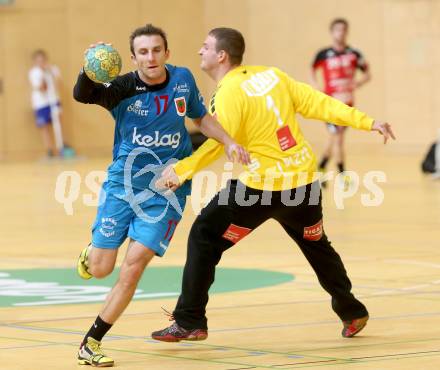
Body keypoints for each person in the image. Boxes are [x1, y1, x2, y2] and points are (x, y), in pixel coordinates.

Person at [151, 27, 395, 343]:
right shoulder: (274, 76)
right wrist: (368, 122)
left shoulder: (228, 92)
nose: (200, 51)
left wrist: (181, 171)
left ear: (221, 55)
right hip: (305, 186)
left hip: (260, 190)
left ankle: (189, 320)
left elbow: (219, 142)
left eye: (205, 46)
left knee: (204, 235)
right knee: (316, 244)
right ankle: (352, 311)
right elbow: (320, 103)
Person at [73, 24, 249, 367]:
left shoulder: (183, 79)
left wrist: (228, 140)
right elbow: (83, 94)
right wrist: (89, 68)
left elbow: (201, 118)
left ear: (166, 53)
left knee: (133, 268)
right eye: (143, 52)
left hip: (166, 194)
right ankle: (91, 253)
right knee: (101, 268)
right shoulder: (122, 88)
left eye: (156, 50)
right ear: (134, 57)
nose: (150, 57)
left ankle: (90, 342)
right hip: (123, 189)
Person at [311, 18, 371, 188]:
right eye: (337, 30)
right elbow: (312, 69)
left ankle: (321, 167)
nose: (341, 33)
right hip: (330, 104)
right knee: (338, 138)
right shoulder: (323, 54)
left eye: (343, 29)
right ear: (332, 32)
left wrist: (357, 83)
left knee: (334, 138)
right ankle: (342, 174)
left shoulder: (354, 53)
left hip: (347, 103)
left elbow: (367, 74)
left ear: (347, 31)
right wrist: (317, 87)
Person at [29, 49, 67, 157]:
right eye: (38, 61)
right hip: (41, 103)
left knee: (58, 122)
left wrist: (50, 73)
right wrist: (43, 75)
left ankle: (62, 146)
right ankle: (49, 150)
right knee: (44, 126)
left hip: (54, 100)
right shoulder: (34, 72)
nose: (41, 62)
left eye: (42, 60)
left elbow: (59, 84)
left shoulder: (53, 69)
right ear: (35, 62)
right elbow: (42, 88)